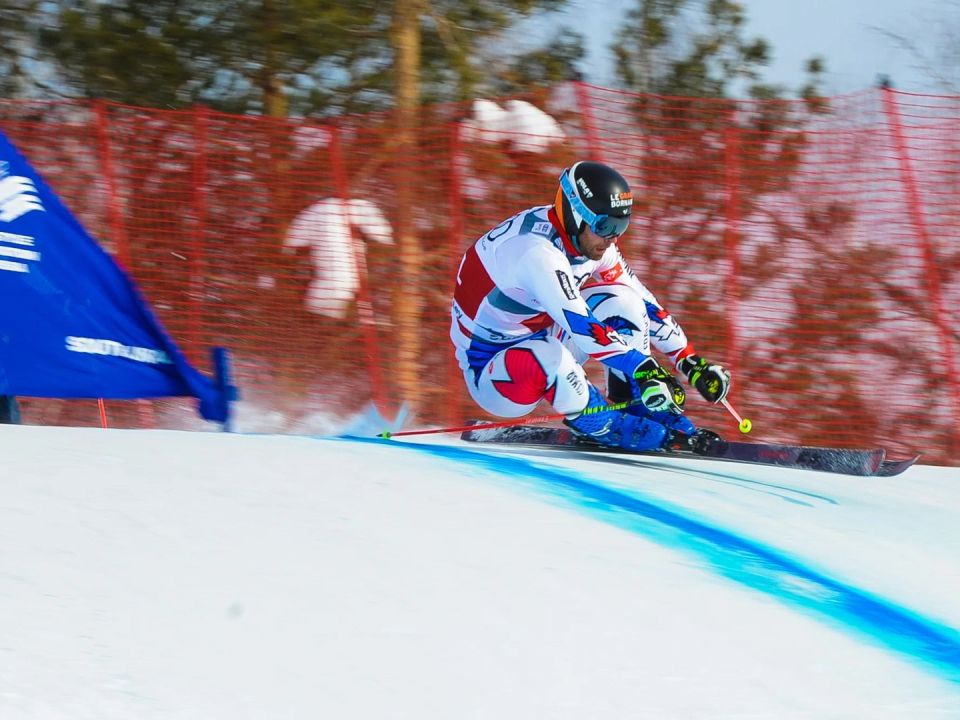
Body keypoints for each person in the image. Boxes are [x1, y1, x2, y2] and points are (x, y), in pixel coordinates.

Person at [449, 160, 732, 451]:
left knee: (623, 301)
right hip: (495, 373)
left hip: (544, 335)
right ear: (575, 215)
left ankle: (644, 409)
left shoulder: (589, 242)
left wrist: (689, 361)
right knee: (550, 355)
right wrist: (645, 368)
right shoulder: (535, 252)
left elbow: (643, 300)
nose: (612, 238)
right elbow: (582, 326)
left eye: (621, 226)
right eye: (605, 226)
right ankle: (605, 426)